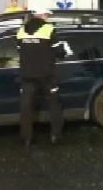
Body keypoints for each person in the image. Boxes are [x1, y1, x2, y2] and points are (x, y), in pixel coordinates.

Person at [16, 9, 68, 147]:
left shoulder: (21, 30)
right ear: (43, 15)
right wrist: (63, 52)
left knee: (26, 107)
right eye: (47, 15)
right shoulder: (49, 29)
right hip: (47, 75)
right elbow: (59, 52)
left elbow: (19, 50)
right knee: (54, 105)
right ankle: (56, 136)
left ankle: (26, 138)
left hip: (27, 75)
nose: (48, 17)